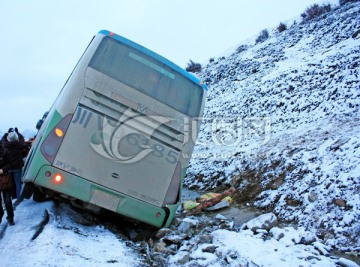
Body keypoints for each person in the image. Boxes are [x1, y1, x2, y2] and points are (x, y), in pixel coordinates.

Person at [4, 131, 29, 199]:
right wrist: (18, 133)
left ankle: (13, 196)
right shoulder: (17, 144)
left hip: (9, 167)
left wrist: (5, 135)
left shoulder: (5, 145)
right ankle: (19, 196)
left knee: (11, 183)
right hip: (17, 166)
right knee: (18, 182)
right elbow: (24, 144)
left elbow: (2, 141)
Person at [0, 143, 15, 225]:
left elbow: (10, 164)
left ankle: (10, 218)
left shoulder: (5, 152)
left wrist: (3, 169)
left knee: (7, 201)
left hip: (4, 179)